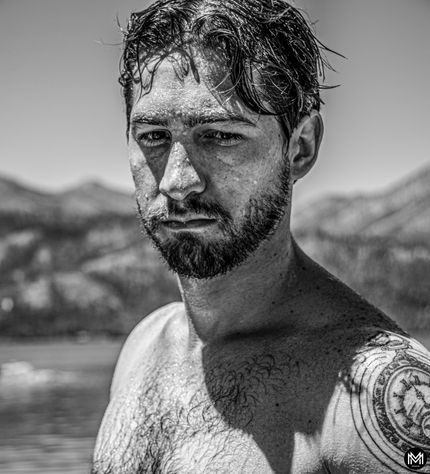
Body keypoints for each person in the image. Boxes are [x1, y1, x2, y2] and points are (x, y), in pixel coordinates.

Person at [92, 1, 430, 472]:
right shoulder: (143, 347)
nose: (177, 181)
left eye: (220, 135)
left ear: (300, 147)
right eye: (152, 136)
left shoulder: (379, 398)